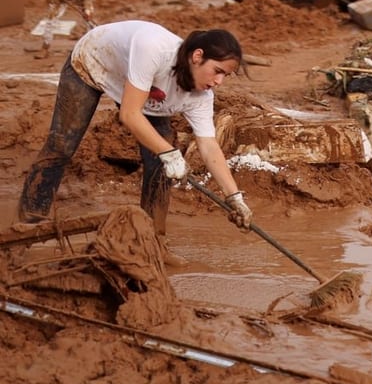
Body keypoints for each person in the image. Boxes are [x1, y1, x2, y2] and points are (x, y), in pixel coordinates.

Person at [18, 21, 254, 255]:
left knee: (160, 165)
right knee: (62, 145)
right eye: (218, 71)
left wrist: (234, 198)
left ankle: (153, 242)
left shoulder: (201, 96)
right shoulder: (154, 49)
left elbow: (209, 146)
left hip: (140, 87)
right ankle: (28, 225)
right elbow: (129, 114)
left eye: (226, 76)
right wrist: (170, 153)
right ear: (197, 56)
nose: (218, 82)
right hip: (93, 63)